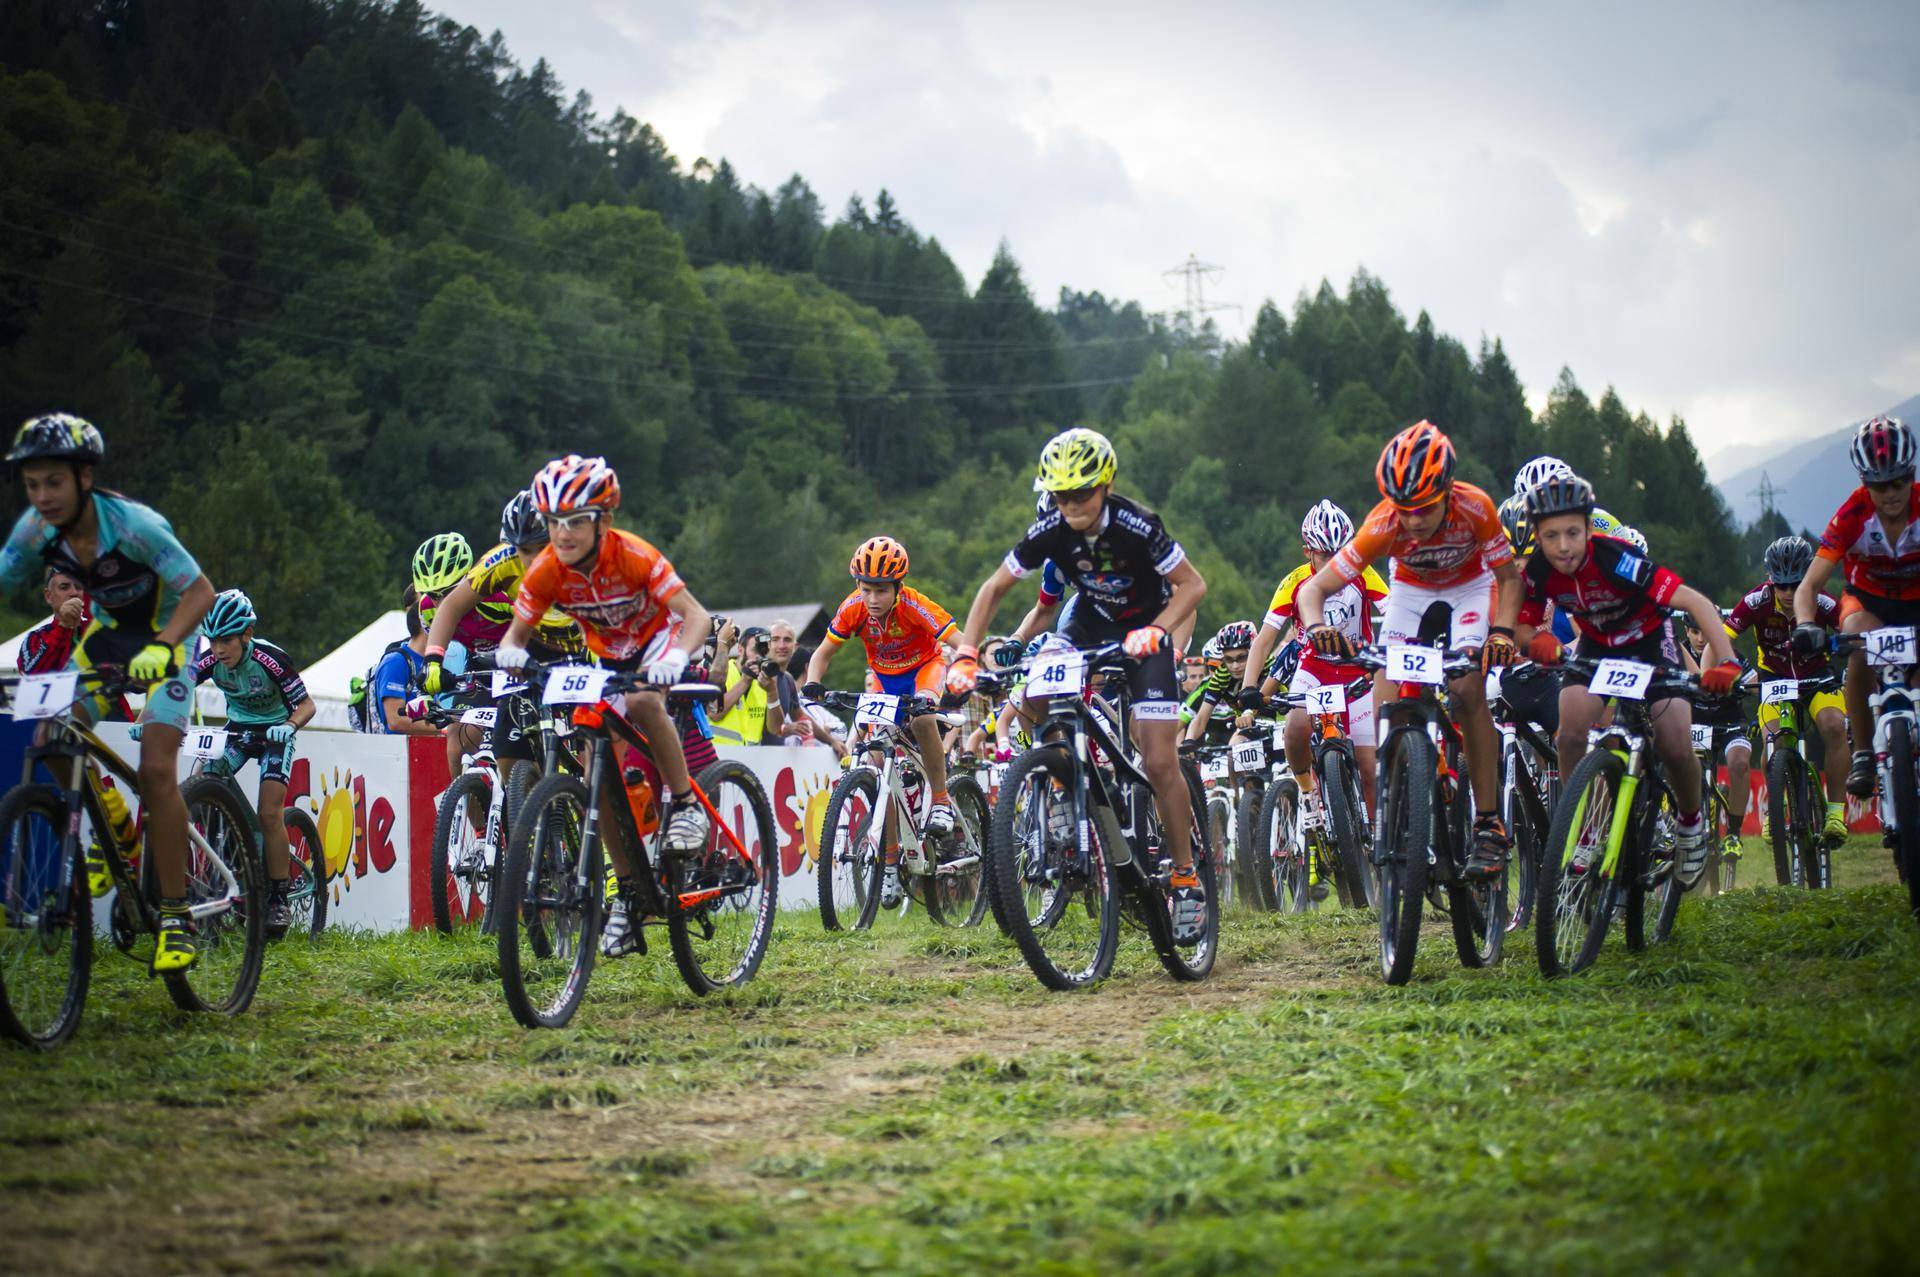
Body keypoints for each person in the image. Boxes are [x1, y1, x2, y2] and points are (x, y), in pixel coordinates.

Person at [947, 427, 1211, 944]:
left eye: (1082, 493)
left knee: (1159, 760)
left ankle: (1185, 877)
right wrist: (966, 653)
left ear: (1106, 486)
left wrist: (1159, 631)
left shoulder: (1139, 525)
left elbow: (1193, 585)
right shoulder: (1051, 529)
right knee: (1035, 692)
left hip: (1145, 630)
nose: (1071, 505)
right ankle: (1063, 782)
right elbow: (994, 588)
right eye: (1061, 494)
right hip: (1088, 624)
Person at [0, 413, 215, 972]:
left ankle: (177, 916)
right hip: (110, 635)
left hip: (171, 633)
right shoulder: (35, 530)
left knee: (157, 767)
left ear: (85, 478)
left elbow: (202, 592)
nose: (42, 497)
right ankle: (116, 823)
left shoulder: (135, 526)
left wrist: (163, 646)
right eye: (32, 485)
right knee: (51, 734)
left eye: (54, 482)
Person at [493, 454, 714, 961]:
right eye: (554, 522)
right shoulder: (547, 568)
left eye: (575, 521)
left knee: (642, 699)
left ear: (604, 520)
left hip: (660, 640)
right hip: (607, 655)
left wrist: (678, 657)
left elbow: (696, 617)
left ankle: (685, 804)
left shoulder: (634, 555)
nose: (562, 533)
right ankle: (630, 894)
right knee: (597, 769)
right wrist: (511, 654)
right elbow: (515, 636)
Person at [1294, 421, 1519, 877]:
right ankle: (1398, 804)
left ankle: (1488, 823)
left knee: (1466, 689)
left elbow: (1509, 579)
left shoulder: (1476, 507)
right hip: (1411, 594)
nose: (1414, 520)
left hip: (1469, 591)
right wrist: (1317, 627)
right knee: (1388, 691)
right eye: (1405, 509)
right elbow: (1313, 590)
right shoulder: (1382, 523)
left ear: (1447, 490)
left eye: (1425, 507)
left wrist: (1502, 633)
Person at [1497, 472, 1740, 884]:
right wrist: (1535, 641)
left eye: (1573, 533)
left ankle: (1690, 823)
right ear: (1537, 535)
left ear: (1588, 528)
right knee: (1570, 732)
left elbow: (1695, 602)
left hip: (1650, 641)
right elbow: (1519, 625)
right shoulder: (1538, 570)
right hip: (1599, 644)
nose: (1563, 546)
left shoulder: (1615, 559)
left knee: (1674, 741)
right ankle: (1585, 829)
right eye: (1551, 536)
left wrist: (1728, 663)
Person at [802, 536, 960, 909]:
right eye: (866, 589)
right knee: (877, 765)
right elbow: (822, 653)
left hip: (925, 670)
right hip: (885, 680)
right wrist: (812, 684)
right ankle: (889, 862)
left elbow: (959, 639)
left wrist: (968, 664)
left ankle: (940, 800)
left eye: (881, 590)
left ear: (898, 587)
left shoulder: (915, 605)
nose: (873, 598)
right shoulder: (852, 608)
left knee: (922, 719)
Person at [1792, 416, 1920, 800]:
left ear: (1912, 475)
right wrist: (1805, 624)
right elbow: (1809, 586)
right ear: (1865, 483)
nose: (1891, 493)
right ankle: (1863, 750)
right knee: (1858, 643)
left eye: (1899, 481)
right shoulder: (1853, 514)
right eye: (1879, 485)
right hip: (1868, 601)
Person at [1243, 499, 1386, 828]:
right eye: (1325, 556)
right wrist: (1249, 687)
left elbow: (1392, 611)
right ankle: (1308, 793)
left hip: (1357, 670)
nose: (1335, 563)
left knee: (1369, 767)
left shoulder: (1364, 573)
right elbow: (1265, 638)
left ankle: (1375, 839)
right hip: (1315, 669)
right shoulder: (1293, 582)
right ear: (1307, 551)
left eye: (1341, 553)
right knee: (1295, 730)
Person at [189, 590, 316, 939]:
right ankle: (231, 857)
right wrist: (146, 719)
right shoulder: (211, 660)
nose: (218, 650)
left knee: (269, 813)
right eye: (213, 641)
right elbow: (175, 689)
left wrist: (289, 725)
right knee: (204, 777)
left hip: (275, 734)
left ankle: (278, 897)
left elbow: (307, 706)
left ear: (247, 634)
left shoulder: (270, 659)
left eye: (226, 641)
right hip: (238, 732)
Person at [1726, 536, 1848, 844]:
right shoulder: (1756, 601)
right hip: (1775, 678)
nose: (1789, 593)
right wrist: (1720, 674)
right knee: (1773, 741)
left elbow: (1851, 633)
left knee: (1834, 726)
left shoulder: (1823, 602)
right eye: (1782, 585)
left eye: (1796, 584)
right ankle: (1774, 812)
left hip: (1816, 676)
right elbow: (1721, 638)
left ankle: (1835, 813)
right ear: (1770, 579)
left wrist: (1850, 662)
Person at [374, 587, 464, 736]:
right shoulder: (395, 662)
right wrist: (445, 729)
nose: (449, 631)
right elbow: (395, 720)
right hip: (401, 749)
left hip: (426, 746)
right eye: (443, 625)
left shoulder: (431, 664)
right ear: (426, 625)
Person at [711, 622, 788, 745]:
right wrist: (744, 682)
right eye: (756, 650)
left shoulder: (766, 679)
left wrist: (772, 691)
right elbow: (714, 713)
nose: (760, 657)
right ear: (740, 650)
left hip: (750, 755)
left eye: (765, 651)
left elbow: (775, 729)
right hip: (719, 752)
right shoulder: (721, 672)